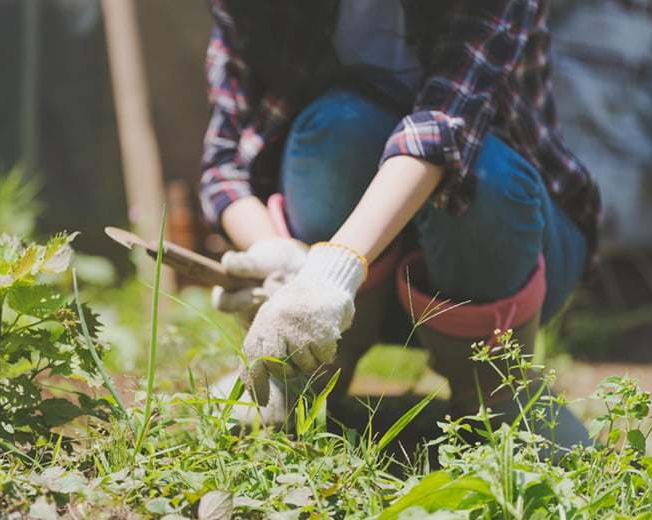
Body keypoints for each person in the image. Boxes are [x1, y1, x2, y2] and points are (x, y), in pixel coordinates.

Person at [199, 0, 601, 448]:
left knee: (482, 176)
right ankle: (310, 371)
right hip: (355, 274)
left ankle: (497, 393)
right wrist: (283, 259)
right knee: (337, 126)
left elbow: (440, 132)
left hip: (505, 242)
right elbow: (224, 164)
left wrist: (334, 271)